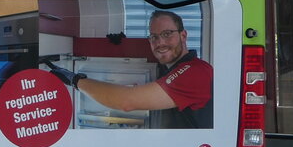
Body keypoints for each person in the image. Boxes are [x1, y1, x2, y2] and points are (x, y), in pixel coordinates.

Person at [48, 10, 213, 129]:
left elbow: (126, 102)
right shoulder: (172, 69)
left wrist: (74, 80)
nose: (160, 42)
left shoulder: (194, 72)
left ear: (183, 35)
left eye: (167, 34)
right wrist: (118, 47)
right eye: (154, 37)